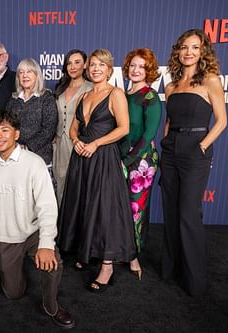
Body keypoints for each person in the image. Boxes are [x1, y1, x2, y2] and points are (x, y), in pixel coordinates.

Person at [0, 110, 75, 329]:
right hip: (6, 236)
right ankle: (17, 273)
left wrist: (46, 244)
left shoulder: (33, 162)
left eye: (5, 130)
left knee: (53, 263)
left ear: (17, 134)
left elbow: (47, 206)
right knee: (13, 293)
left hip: (33, 232)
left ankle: (51, 304)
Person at [57, 49, 136, 293]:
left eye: (101, 65)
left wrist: (95, 143)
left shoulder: (116, 94)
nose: (95, 69)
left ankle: (107, 265)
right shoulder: (85, 95)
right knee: (84, 205)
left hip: (103, 158)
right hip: (82, 158)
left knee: (104, 210)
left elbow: (123, 129)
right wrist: (77, 141)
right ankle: (86, 251)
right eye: (92, 65)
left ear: (109, 69)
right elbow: (73, 129)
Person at [160, 29, 227, 296]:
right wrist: (166, 146)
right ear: (178, 51)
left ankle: (194, 280)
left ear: (203, 52)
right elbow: (169, 121)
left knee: (188, 214)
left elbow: (222, 121)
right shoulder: (171, 85)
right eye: (184, 47)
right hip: (171, 150)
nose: (189, 52)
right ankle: (171, 268)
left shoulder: (210, 80)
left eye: (195, 47)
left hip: (195, 150)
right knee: (171, 211)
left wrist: (201, 146)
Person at [119, 48, 162, 280]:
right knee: (119, 207)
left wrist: (127, 162)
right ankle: (120, 249)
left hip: (142, 163)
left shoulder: (150, 97)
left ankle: (134, 255)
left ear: (149, 71)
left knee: (136, 210)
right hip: (120, 159)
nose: (136, 70)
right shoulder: (122, 96)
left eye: (142, 67)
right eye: (133, 65)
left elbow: (148, 136)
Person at [6, 58, 58, 180]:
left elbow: (49, 129)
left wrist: (28, 147)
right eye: (21, 72)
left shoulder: (46, 98)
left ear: (37, 75)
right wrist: (14, 147)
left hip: (40, 157)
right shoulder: (13, 99)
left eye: (29, 71)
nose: (25, 75)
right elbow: (7, 126)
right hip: (15, 155)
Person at [53, 49, 93, 203]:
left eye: (77, 62)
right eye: (69, 63)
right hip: (60, 143)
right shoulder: (60, 88)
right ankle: (62, 224)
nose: (72, 66)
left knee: (80, 185)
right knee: (60, 184)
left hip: (80, 143)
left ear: (85, 65)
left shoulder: (91, 88)